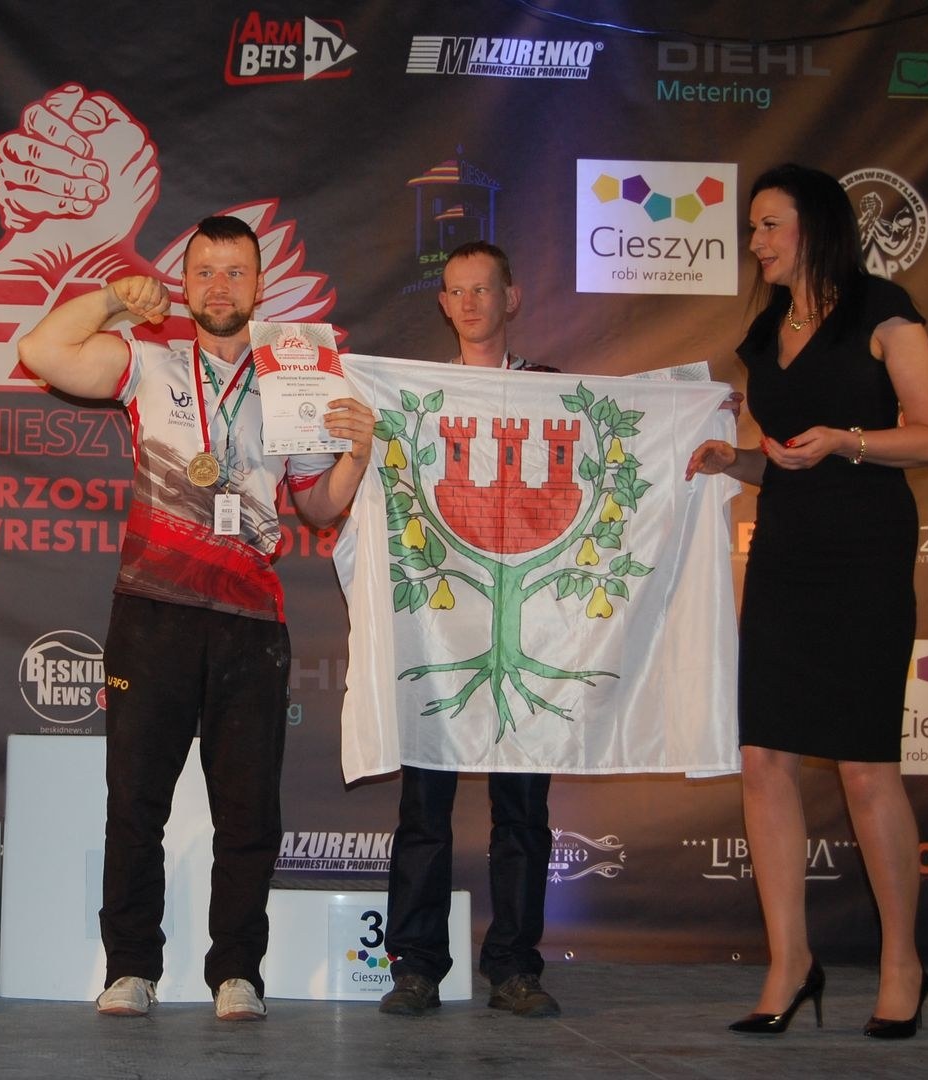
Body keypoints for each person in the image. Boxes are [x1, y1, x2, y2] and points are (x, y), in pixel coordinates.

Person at [17, 215, 375, 1021]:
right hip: (153, 613)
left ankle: (237, 972)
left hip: (251, 620)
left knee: (249, 811)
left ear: (260, 285)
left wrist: (358, 452)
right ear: (182, 284)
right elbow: (40, 351)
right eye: (205, 271)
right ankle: (130, 968)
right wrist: (112, 298)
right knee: (134, 803)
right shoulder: (149, 362)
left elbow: (318, 507)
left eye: (235, 271)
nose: (220, 286)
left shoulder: (294, 378)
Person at [687, 164, 928, 1039]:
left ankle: (902, 963)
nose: (754, 241)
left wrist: (847, 440)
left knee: (866, 765)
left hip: (865, 552)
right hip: (785, 552)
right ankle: (790, 962)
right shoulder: (766, 331)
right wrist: (735, 462)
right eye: (752, 227)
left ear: (816, 225)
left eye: (769, 224)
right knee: (764, 757)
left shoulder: (882, 309)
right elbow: (785, 458)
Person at [375, 241, 563, 1020]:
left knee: (522, 808)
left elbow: (628, 449)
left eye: (485, 289)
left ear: (510, 298)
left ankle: (515, 966)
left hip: (528, 626)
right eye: (457, 291)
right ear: (443, 304)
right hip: (441, 627)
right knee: (425, 804)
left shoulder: (555, 393)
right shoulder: (417, 397)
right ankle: (416, 966)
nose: (472, 302)